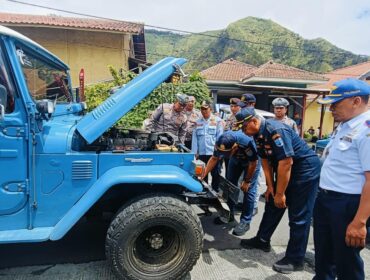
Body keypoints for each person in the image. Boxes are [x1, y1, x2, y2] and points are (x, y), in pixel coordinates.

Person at [238, 107, 320, 274]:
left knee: (298, 216)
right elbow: (266, 161)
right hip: (286, 170)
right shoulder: (257, 135)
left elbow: (286, 163)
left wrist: (281, 193)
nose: (243, 131)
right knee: (272, 203)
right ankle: (262, 240)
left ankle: (295, 259)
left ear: (254, 121)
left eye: (244, 127)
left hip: (304, 171)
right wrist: (270, 187)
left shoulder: (275, 130)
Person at [313, 78, 370, 280]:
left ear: (356, 101)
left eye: (336, 104)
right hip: (326, 200)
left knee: (346, 263)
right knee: (323, 257)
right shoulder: (345, 125)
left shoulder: (366, 129)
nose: (331, 109)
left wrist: (359, 222)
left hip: (347, 205)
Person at [202, 129, 259, 236]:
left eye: (227, 153)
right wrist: (203, 175)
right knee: (229, 186)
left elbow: (253, 163)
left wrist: (247, 181)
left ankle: (245, 221)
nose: (224, 155)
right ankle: (229, 215)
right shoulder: (220, 141)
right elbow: (214, 158)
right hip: (236, 159)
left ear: (235, 146)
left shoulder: (246, 142)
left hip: (250, 162)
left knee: (249, 190)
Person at [192, 100, 223, 191]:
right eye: (202, 109)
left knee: (215, 174)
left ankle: (215, 192)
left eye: (206, 109)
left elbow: (220, 137)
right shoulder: (197, 122)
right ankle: (203, 192)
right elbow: (195, 138)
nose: (204, 111)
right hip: (202, 153)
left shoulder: (218, 121)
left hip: (213, 153)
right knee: (201, 174)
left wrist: (219, 152)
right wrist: (195, 152)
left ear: (211, 109)